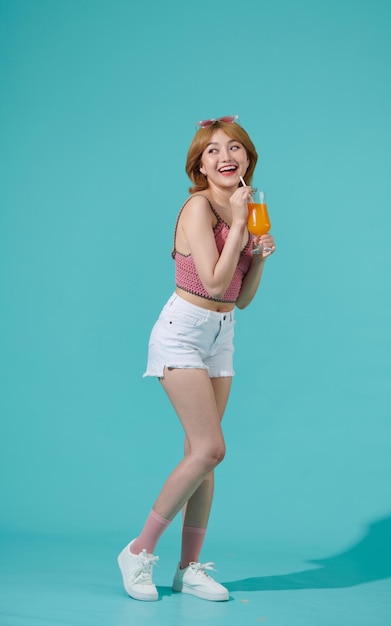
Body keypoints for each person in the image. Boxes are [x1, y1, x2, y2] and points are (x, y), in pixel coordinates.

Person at [117, 115, 276, 602]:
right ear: (200, 165)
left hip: (221, 334)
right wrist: (238, 225)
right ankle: (138, 552)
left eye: (234, 148)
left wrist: (260, 257)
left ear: (247, 158)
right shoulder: (198, 207)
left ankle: (190, 569)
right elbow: (209, 281)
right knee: (211, 449)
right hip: (182, 331)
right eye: (212, 151)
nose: (225, 156)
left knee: (202, 459)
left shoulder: (248, 210)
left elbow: (238, 298)